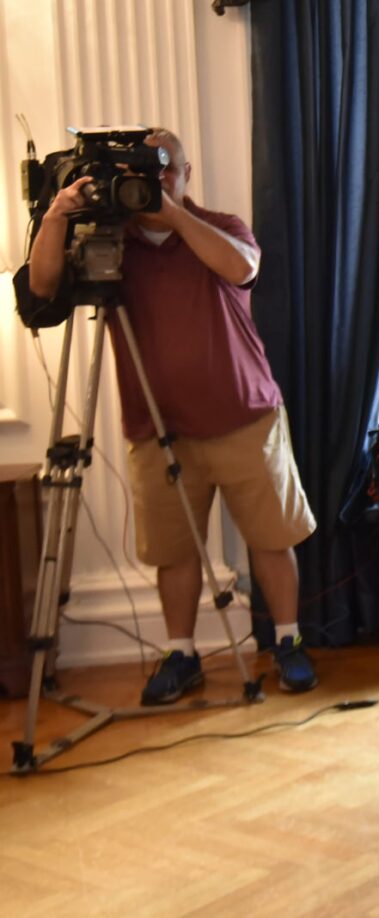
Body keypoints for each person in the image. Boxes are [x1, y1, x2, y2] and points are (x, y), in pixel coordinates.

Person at [14, 131, 319, 703]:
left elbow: (241, 267)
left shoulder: (220, 225)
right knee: (173, 551)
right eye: (146, 175)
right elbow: (43, 286)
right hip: (157, 426)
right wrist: (57, 213)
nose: (157, 185)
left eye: (167, 171)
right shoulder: (109, 241)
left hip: (244, 414)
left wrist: (172, 215)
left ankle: (287, 640)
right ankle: (181, 652)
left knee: (271, 538)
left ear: (186, 171)